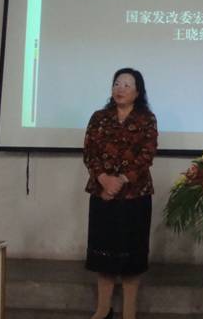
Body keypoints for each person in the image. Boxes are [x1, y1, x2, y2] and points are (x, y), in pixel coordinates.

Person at [83, 68, 157, 319]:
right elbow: (90, 152)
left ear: (138, 91)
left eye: (127, 85)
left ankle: (129, 312)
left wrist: (121, 180)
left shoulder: (146, 119)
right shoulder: (99, 117)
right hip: (102, 194)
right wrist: (104, 179)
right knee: (103, 256)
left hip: (136, 196)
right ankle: (103, 309)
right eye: (117, 83)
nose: (120, 89)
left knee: (131, 259)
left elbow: (147, 155)